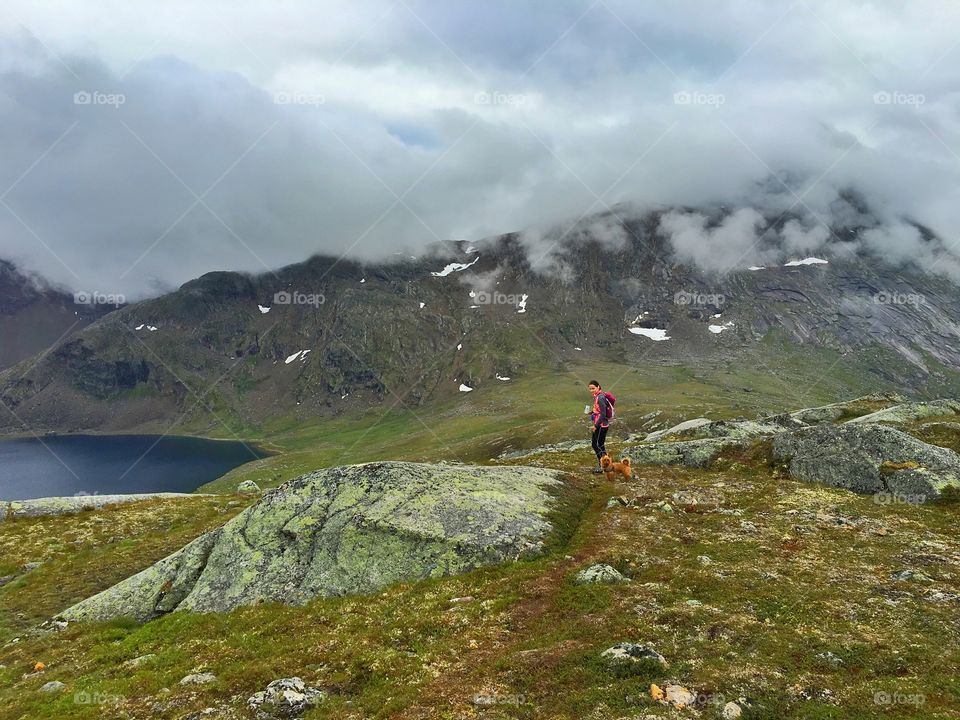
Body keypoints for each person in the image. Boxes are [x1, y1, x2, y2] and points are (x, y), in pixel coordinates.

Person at [587, 380, 610, 473]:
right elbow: (599, 410)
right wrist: (592, 412)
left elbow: (603, 414)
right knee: (598, 445)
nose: (591, 390)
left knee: (598, 445)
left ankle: (604, 465)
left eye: (593, 388)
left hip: (601, 425)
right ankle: (604, 464)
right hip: (599, 424)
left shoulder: (600, 397)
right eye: (590, 389)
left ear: (598, 387)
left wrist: (596, 426)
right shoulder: (597, 396)